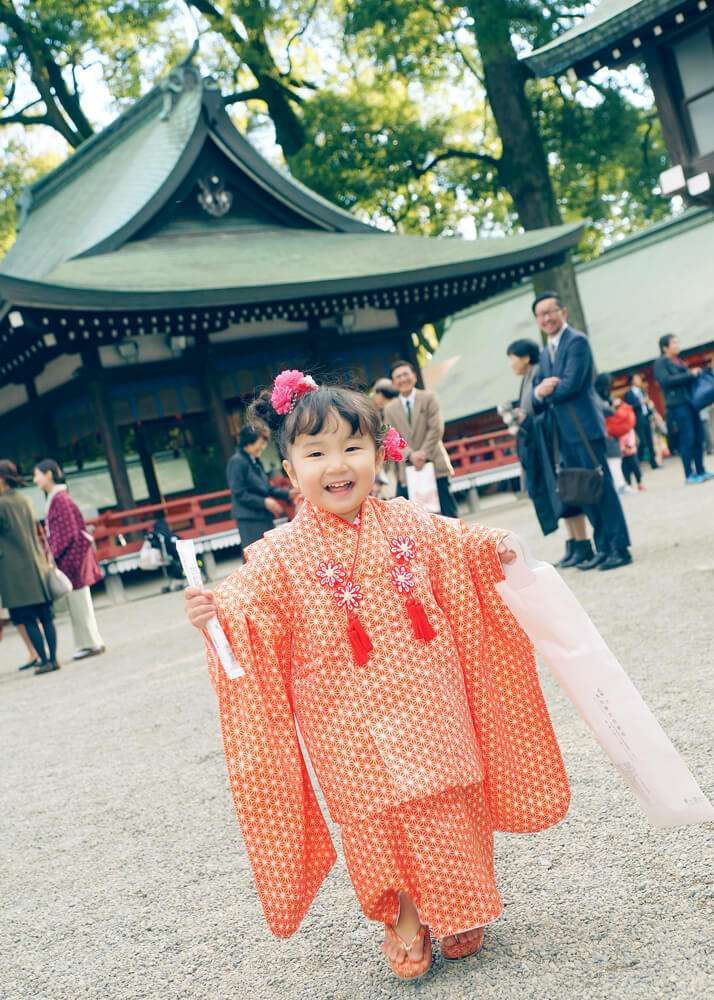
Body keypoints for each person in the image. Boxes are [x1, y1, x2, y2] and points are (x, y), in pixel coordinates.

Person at [184, 370, 570, 980]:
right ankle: (405, 920)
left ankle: (460, 905)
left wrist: (492, 548)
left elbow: (461, 544)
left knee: (446, 799)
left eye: (351, 447)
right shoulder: (279, 554)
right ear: (289, 470)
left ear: (380, 452)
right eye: (316, 453)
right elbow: (246, 608)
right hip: (344, 717)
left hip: (427, 698)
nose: (336, 465)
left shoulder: (410, 523)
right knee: (374, 820)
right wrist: (218, 615)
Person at [531, 292, 632, 571]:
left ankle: (619, 547)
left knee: (603, 488)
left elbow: (571, 384)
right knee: (585, 491)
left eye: (551, 312)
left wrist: (546, 391)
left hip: (585, 427)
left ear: (563, 312)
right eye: (541, 314)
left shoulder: (576, 341)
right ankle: (603, 547)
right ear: (537, 320)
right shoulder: (545, 351)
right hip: (564, 432)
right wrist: (541, 390)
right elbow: (538, 391)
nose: (547, 318)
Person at [506, 339, 594, 566]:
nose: (510, 364)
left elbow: (544, 410)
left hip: (550, 443)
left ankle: (583, 542)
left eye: (512, 358)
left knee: (566, 491)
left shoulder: (538, 374)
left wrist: (526, 418)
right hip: (537, 444)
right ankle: (574, 542)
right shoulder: (527, 378)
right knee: (557, 494)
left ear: (525, 357)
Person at [33, 459, 105, 660]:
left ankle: (90, 643)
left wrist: (54, 554)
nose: (35, 479)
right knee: (80, 601)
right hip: (73, 556)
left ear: (48, 474)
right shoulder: (59, 498)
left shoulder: (60, 499)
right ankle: (90, 642)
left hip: (71, 558)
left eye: (37, 474)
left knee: (79, 602)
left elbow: (67, 533)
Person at [0, 460, 60, 675]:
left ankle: (43, 660)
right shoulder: (25, 500)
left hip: (15, 571)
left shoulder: (1, 504)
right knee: (45, 616)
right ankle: (53, 658)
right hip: (37, 564)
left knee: (27, 617)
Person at [384, 359, 458, 517]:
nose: (403, 379)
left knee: (448, 512)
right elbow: (391, 437)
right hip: (408, 469)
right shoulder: (389, 409)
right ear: (393, 382)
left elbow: (436, 428)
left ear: (414, 376)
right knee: (418, 519)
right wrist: (410, 454)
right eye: (398, 376)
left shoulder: (429, 397)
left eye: (406, 374)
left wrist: (423, 452)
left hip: (434, 461)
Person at [653, 335, 713, 485]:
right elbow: (666, 381)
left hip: (691, 403)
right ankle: (689, 474)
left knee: (698, 437)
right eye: (674, 342)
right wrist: (689, 374)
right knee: (687, 439)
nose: (677, 345)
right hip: (678, 405)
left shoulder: (678, 361)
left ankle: (701, 470)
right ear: (664, 347)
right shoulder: (661, 363)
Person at [226, 425, 292, 551]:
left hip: (263, 515)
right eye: (261, 443)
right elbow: (239, 493)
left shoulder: (255, 461)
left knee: (269, 554)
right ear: (249, 441)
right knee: (257, 554)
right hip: (249, 517)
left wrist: (289, 493)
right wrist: (264, 502)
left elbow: (267, 488)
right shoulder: (237, 462)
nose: (263, 447)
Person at [623, 374, 659, 469]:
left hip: (646, 417)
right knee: (642, 442)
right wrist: (640, 403)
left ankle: (653, 463)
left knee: (650, 441)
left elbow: (647, 404)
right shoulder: (628, 394)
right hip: (638, 420)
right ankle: (637, 463)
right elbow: (629, 407)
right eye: (637, 379)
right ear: (632, 381)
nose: (640, 380)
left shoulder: (643, 392)